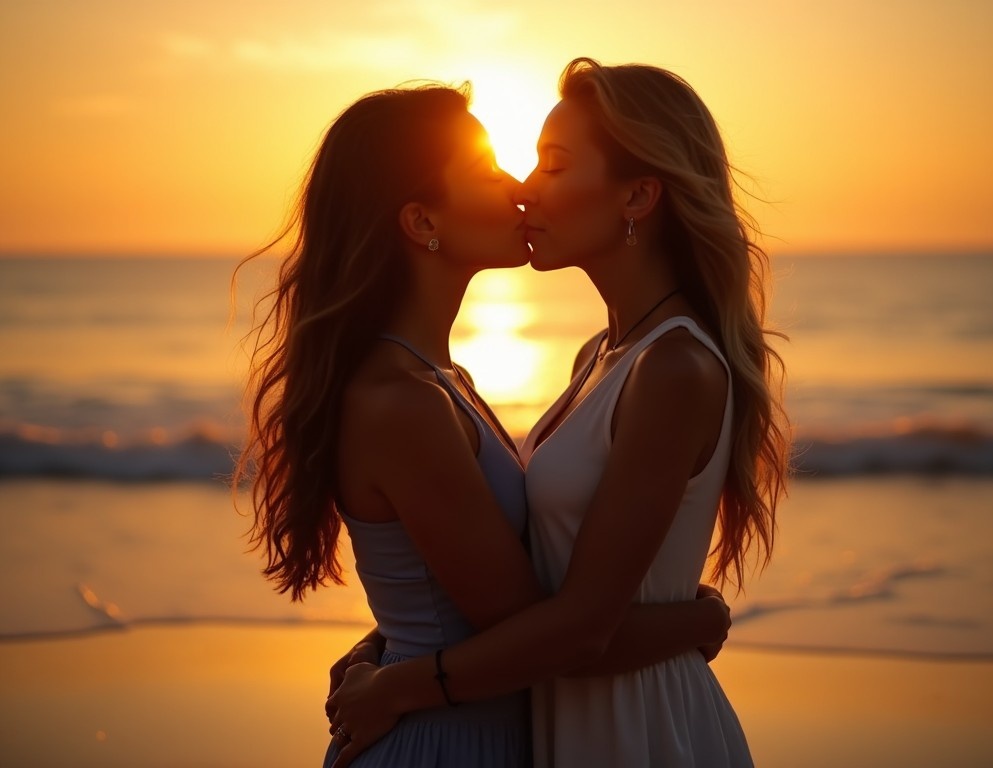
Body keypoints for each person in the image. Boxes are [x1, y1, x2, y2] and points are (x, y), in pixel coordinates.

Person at [234, 83, 734, 768]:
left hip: (500, 728)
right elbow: (540, 628)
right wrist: (696, 620)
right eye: (488, 169)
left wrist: (383, 653)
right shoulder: (402, 401)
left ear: (639, 197)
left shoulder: (449, 381)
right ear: (420, 223)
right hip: (447, 743)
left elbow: (481, 596)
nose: (520, 187)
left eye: (549, 164)